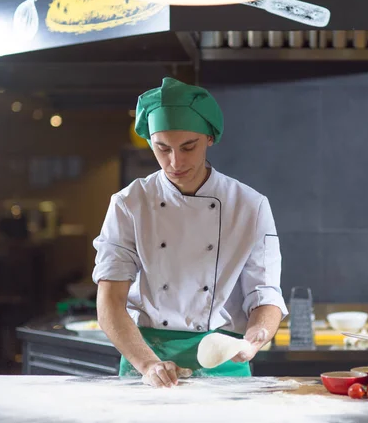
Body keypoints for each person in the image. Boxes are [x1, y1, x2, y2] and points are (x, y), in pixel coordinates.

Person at [93, 77, 288, 387]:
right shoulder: (129, 204)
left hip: (223, 361)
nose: (175, 161)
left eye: (188, 147)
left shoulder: (249, 206)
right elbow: (110, 301)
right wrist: (148, 365)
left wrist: (256, 336)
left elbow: (265, 294)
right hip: (146, 358)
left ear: (209, 137)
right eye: (162, 148)